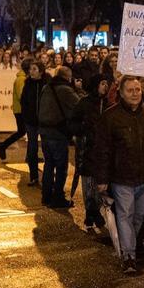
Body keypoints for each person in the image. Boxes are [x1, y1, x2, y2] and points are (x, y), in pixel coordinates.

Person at [94, 76, 144, 274]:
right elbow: (102, 150)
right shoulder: (110, 117)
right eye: (130, 90)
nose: (135, 93)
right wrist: (102, 179)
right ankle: (129, 256)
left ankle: (129, 245)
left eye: (137, 90)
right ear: (121, 93)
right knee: (125, 215)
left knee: (139, 216)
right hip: (122, 177)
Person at [37, 66, 81, 208]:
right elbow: (80, 106)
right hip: (57, 132)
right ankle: (58, 198)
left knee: (49, 164)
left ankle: (46, 196)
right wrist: (78, 89)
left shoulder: (46, 88)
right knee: (61, 167)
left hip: (44, 131)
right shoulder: (66, 90)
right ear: (68, 77)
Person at [73, 73, 111, 229]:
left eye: (107, 83)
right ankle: (91, 213)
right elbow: (72, 122)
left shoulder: (110, 104)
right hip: (87, 149)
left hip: (103, 150)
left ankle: (93, 212)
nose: (105, 86)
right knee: (88, 185)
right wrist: (83, 130)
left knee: (99, 185)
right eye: (102, 83)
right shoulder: (85, 103)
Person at [17, 61, 46, 186]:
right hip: (31, 121)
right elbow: (23, 101)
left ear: (40, 71)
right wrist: (26, 116)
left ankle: (48, 175)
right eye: (30, 69)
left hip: (44, 121)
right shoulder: (27, 84)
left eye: (34, 69)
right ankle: (33, 176)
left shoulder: (46, 84)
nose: (31, 71)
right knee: (33, 148)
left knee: (46, 148)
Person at [0, 59, 32, 160]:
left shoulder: (23, 78)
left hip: (21, 110)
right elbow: (22, 96)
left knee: (23, 132)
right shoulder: (21, 79)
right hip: (21, 110)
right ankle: (3, 146)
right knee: (26, 132)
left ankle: (3, 146)